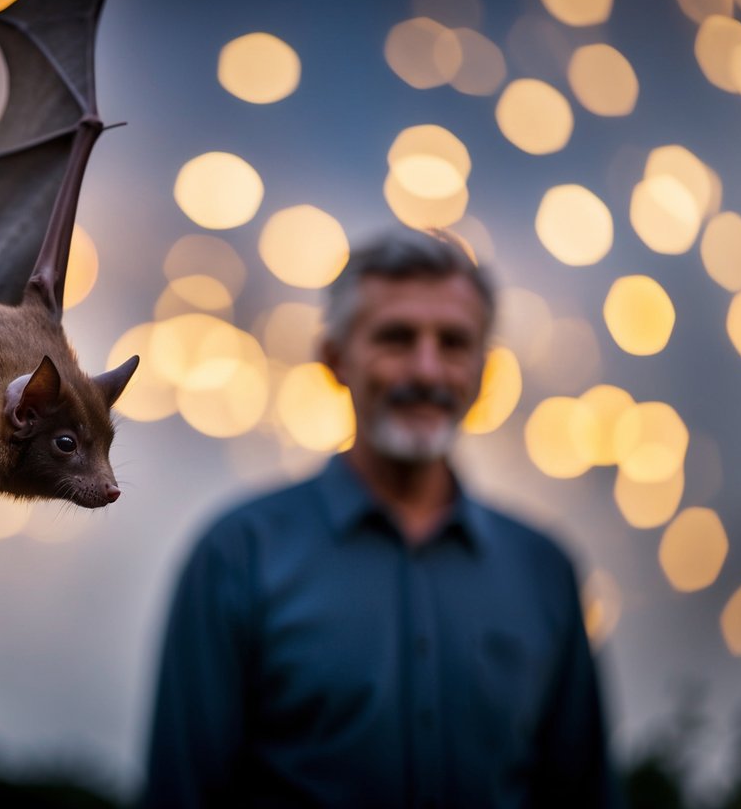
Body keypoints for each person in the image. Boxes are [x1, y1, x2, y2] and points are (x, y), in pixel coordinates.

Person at [143, 228, 621, 808]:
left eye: (453, 343)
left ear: (483, 370)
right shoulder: (238, 556)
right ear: (334, 359)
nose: (427, 371)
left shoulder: (543, 571)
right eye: (396, 338)